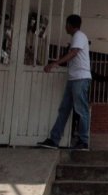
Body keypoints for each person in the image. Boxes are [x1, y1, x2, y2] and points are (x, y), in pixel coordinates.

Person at [36, 14, 91, 150]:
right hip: (74, 79)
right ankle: (54, 140)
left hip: (80, 78)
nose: (65, 27)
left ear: (71, 25)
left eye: (66, 24)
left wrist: (55, 63)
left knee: (81, 110)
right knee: (64, 110)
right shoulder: (76, 37)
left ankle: (83, 141)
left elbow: (73, 53)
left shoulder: (79, 35)